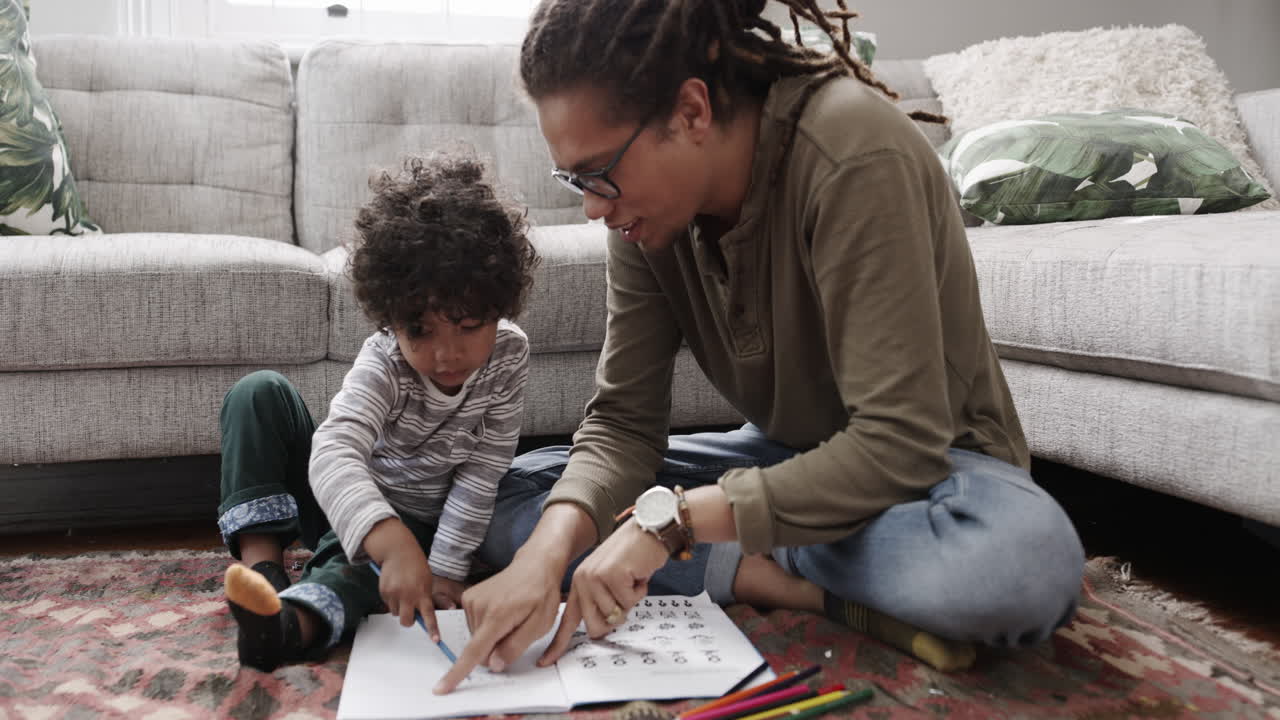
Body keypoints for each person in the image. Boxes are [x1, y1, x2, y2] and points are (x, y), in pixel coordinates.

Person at [431, 0, 1088, 693]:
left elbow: (900, 442)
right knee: (504, 498)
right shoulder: (642, 218)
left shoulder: (854, 153)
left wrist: (671, 525)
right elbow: (623, 423)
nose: (592, 206)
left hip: (934, 476)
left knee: (1019, 569)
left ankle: (749, 552)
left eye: (598, 173)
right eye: (574, 180)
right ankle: (760, 563)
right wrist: (545, 556)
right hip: (790, 461)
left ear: (691, 112)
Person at [216, 150, 538, 671]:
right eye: (420, 330)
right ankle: (263, 577)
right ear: (390, 316)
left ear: (499, 306)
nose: (446, 353)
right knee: (257, 393)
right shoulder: (385, 362)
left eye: (467, 326)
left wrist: (444, 571)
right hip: (343, 496)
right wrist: (387, 541)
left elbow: (483, 473)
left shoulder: (509, 356)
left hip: (418, 521)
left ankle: (287, 627)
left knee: (365, 576)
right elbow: (333, 452)